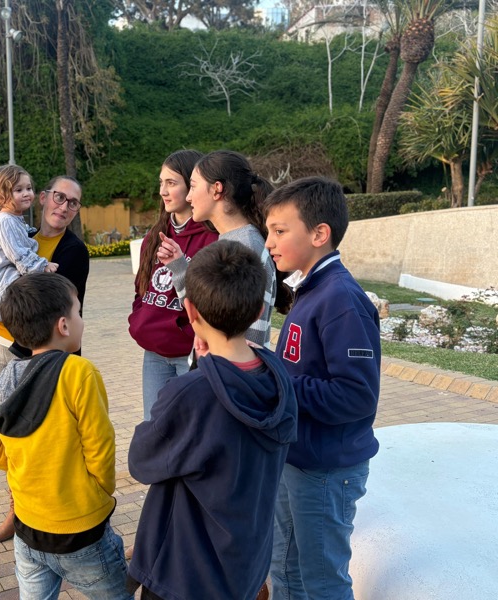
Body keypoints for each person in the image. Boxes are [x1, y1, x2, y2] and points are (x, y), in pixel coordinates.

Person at [126, 240, 297, 600]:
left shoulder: (191, 394)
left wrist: (198, 378)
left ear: (190, 310)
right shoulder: (280, 380)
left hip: (185, 574)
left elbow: (142, 461)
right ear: (257, 312)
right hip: (244, 568)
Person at [0, 273, 132, 600]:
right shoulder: (79, 372)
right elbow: (100, 445)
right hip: (80, 530)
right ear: (63, 325)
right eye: (78, 312)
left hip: (27, 529)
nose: (81, 320)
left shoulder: (7, 377)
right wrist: (99, 489)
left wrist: (24, 461)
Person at [263, 176, 381, 599]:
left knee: (323, 582)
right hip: (297, 459)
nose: (269, 242)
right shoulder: (310, 289)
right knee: (285, 569)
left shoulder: (341, 300)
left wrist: (279, 383)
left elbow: (356, 395)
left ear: (319, 234)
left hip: (327, 471)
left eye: (279, 231)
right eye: (268, 231)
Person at [0, 175, 90, 544]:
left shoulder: (73, 251)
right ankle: (17, 510)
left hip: (38, 356)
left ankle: (55, 512)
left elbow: (57, 309)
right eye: (59, 197)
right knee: (9, 434)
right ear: (43, 197)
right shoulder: (17, 234)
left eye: (73, 202)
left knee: (47, 438)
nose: (64, 206)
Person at [159, 150, 280, 350]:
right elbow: (208, 311)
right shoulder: (234, 240)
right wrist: (179, 268)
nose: (188, 197)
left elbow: (247, 337)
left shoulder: (244, 247)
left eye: (193, 186)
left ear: (217, 189)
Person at [128, 149, 217, 420]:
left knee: (190, 428)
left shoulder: (212, 239)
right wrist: (140, 316)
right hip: (154, 353)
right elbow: (141, 288)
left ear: (191, 186)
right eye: (161, 183)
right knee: (154, 426)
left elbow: (213, 300)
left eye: (171, 183)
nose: (163, 191)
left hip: (191, 352)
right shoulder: (154, 236)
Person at [0, 164, 58, 366]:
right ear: (1, 196)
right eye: (18, 190)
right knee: (21, 295)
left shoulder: (11, 218)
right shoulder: (5, 220)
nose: (26, 193)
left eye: (29, 188)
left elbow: (20, 236)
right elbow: (18, 254)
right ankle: (18, 342)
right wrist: (42, 265)